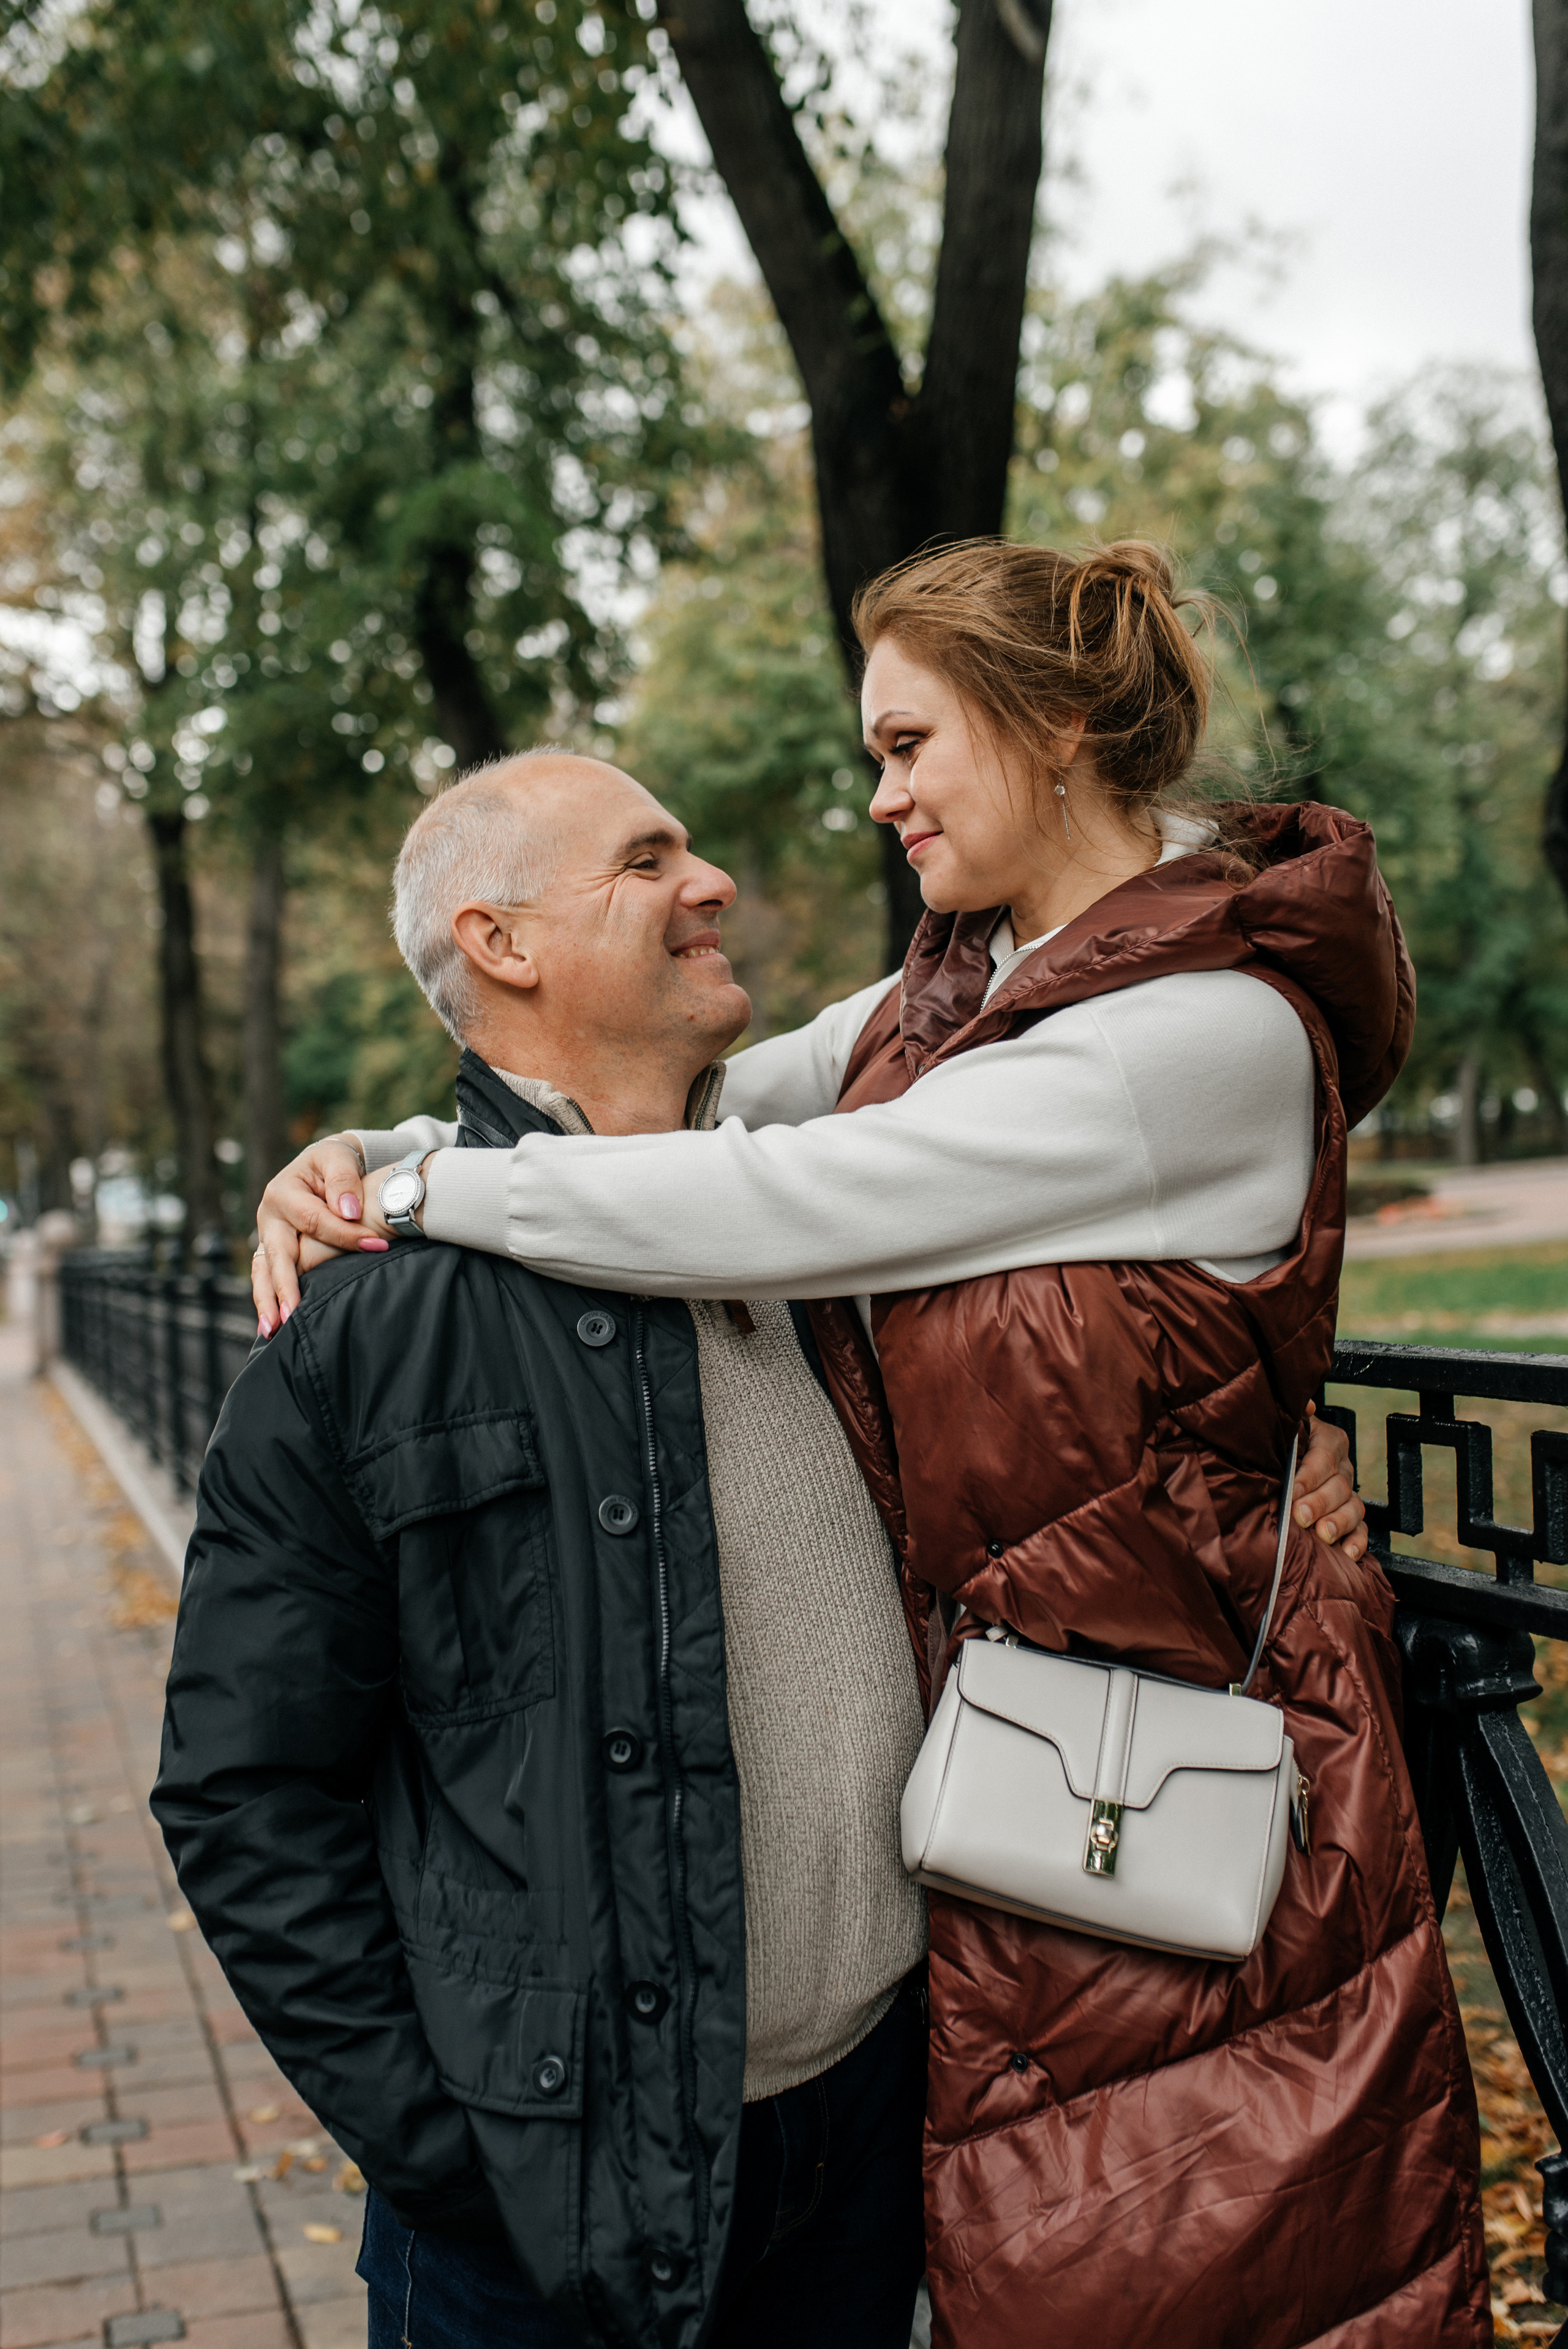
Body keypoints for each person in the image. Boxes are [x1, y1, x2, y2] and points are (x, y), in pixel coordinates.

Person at [247, 538, 1469, 2349]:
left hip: (1189, 1818)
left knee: (1215, 2265)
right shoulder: (967, 994)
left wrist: (427, 1179)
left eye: (910, 744)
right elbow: (697, 1103)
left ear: (1051, 728)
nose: (878, 791)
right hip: (1026, 1825)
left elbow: (779, 1196)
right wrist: (366, 1150)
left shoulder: (1192, 1031)